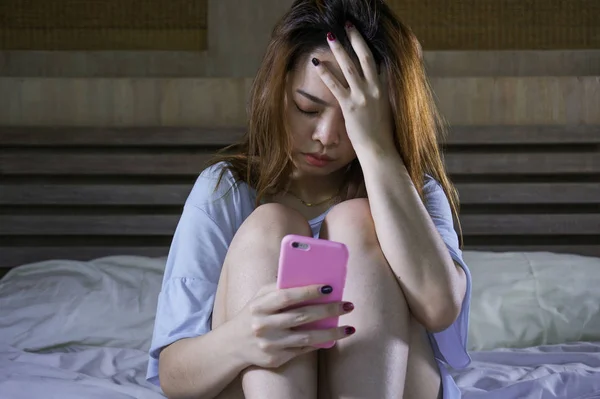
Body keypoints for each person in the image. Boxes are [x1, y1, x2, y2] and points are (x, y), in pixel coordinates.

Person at [146, 0, 472, 398]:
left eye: (353, 117)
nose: (326, 136)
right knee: (272, 225)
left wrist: (376, 151)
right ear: (277, 88)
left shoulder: (412, 190)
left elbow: (439, 308)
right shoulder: (226, 190)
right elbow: (174, 377)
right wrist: (243, 338)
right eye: (307, 107)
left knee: (357, 220)